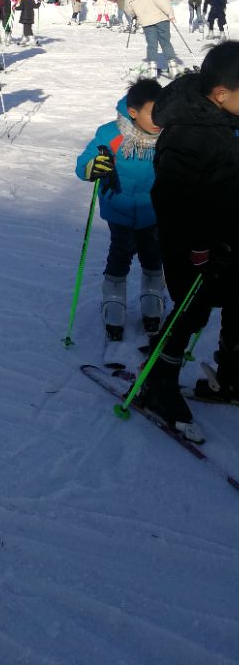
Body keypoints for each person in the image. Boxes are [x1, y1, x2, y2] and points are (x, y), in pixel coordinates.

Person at [135, 42, 239, 440]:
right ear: (221, 94)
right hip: (193, 247)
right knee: (191, 312)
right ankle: (158, 384)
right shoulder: (189, 134)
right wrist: (198, 248)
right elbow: (171, 199)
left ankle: (230, 377)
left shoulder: (229, 117)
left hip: (231, 237)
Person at [75, 78, 165, 342]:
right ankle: (113, 304)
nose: (159, 119)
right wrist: (93, 166)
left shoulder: (169, 135)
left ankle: (153, 300)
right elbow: (83, 165)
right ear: (134, 112)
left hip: (153, 211)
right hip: (120, 210)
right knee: (120, 254)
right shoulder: (112, 134)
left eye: (163, 111)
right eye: (153, 113)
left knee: (153, 255)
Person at [124, 0, 179, 76]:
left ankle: (152, 70)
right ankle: (173, 68)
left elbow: (127, 7)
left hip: (146, 21)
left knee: (152, 44)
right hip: (161, 18)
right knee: (165, 42)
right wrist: (170, 13)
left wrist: (134, 14)